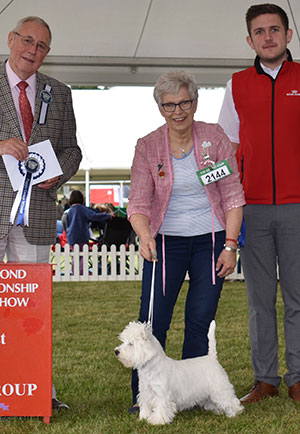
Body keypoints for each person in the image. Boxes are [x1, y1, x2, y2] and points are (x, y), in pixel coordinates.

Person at [127, 70, 245, 412]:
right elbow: (137, 202)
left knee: (200, 318)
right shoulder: (148, 147)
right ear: (160, 108)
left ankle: (195, 395)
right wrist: (146, 236)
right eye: (169, 105)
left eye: (184, 102)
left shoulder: (214, 138)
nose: (178, 111)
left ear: (195, 102)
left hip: (211, 240)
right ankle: (145, 397)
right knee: (153, 322)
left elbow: (233, 195)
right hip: (165, 243)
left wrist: (231, 244)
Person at [218, 3, 300, 403]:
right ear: (249, 40)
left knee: (299, 297)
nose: (268, 37)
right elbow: (225, 151)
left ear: (288, 35)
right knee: (259, 300)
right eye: (260, 32)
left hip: (298, 207)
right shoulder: (235, 84)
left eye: (275, 29)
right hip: (251, 208)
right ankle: (265, 380)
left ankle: (298, 378)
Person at [0, 16, 82, 409]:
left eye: (42, 46)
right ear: (11, 39)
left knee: (31, 310)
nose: (33, 50)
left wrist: (57, 174)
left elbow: (72, 150)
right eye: (27, 41)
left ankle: (36, 393)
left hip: (36, 217)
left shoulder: (59, 92)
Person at [66, 190, 111, 274]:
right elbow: (93, 216)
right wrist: (107, 216)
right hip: (81, 236)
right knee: (83, 255)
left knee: (75, 256)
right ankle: (81, 272)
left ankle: (75, 271)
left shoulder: (69, 211)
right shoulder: (82, 209)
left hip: (71, 237)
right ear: (81, 199)